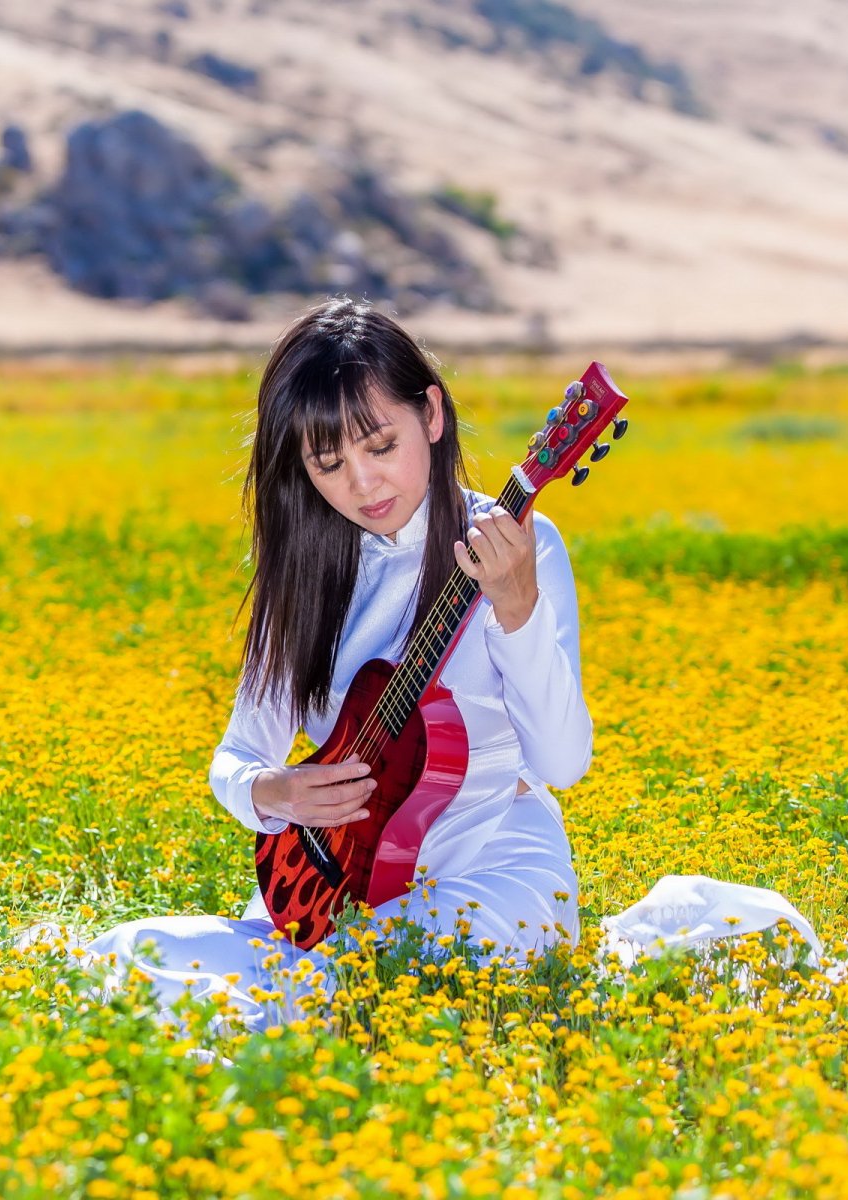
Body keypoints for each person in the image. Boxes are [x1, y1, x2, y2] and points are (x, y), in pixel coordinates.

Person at [85, 296, 593, 1031]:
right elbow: (235, 757)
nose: (362, 485)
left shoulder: (521, 544)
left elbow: (563, 762)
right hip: (340, 885)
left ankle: (294, 1009)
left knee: (378, 966)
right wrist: (274, 793)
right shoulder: (307, 570)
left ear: (433, 415)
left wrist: (518, 611)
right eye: (329, 463)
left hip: (491, 872)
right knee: (122, 956)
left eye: (380, 446)